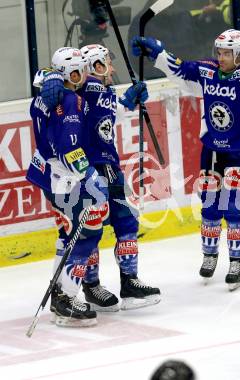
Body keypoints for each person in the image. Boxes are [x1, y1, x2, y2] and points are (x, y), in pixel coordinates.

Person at [131, 29, 240, 290]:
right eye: (219, 52)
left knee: (236, 206)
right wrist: (156, 53)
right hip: (213, 150)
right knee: (210, 204)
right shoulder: (207, 71)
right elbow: (180, 71)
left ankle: (237, 260)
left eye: (226, 53)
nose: (221, 57)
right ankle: (210, 254)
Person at [35, 44, 161, 311]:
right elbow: (55, 77)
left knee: (127, 220)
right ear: (92, 68)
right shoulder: (82, 88)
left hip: (110, 167)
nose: (112, 68)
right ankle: (90, 286)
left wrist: (129, 100)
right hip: (84, 169)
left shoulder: (102, 89)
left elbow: (109, 111)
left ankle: (129, 281)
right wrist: (52, 76)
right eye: (105, 63)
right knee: (88, 229)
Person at [27, 47, 107, 327]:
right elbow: (68, 147)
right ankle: (67, 299)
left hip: (49, 175)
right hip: (67, 179)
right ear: (69, 73)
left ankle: (60, 292)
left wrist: (48, 77)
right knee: (85, 236)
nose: (84, 74)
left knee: (67, 235)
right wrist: (90, 177)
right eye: (79, 70)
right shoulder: (70, 100)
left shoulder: (46, 95)